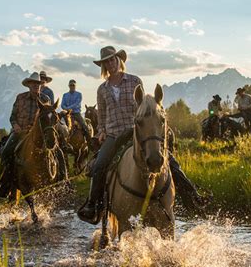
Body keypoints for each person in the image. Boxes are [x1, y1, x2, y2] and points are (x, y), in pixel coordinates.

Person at [77, 46, 210, 224]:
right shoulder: (102, 89)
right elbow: (102, 116)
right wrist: (101, 131)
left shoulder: (134, 81)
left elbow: (145, 106)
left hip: (136, 130)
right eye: (106, 62)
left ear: (119, 60)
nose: (110, 64)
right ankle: (94, 205)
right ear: (103, 66)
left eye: (113, 59)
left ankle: (192, 195)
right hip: (114, 134)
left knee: (168, 159)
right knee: (99, 165)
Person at [0, 72, 68, 198]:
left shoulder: (46, 99)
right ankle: (4, 185)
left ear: (41, 85)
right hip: (19, 132)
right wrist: (16, 126)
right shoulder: (20, 98)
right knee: (7, 152)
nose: (36, 86)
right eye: (34, 83)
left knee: (58, 152)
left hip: (38, 134)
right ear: (29, 85)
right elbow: (13, 116)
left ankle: (63, 182)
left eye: (38, 84)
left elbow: (49, 118)